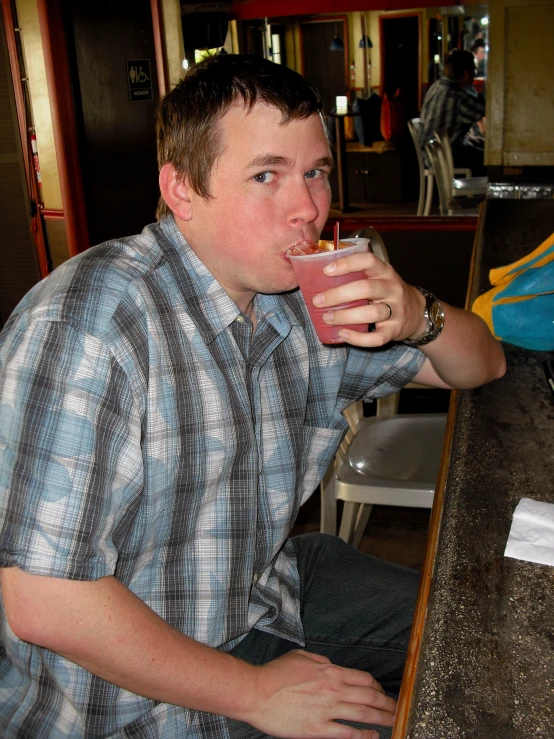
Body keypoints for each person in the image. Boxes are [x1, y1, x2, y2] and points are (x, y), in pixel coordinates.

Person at [0, 54, 505, 739]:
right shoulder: (91, 326)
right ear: (180, 189)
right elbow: (43, 602)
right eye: (266, 175)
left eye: (315, 172)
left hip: (265, 593)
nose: (308, 208)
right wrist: (258, 691)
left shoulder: (301, 301)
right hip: (116, 695)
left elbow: (479, 365)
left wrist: (419, 312)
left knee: (481, 631)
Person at [419, 49, 487, 176]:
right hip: (443, 158)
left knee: (480, 148)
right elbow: (484, 109)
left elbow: (450, 125)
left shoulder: (438, 85)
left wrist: (468, 139)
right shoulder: (457, 96)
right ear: (467, 73)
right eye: (474, 71)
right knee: (491, 161)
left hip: (431, 154)